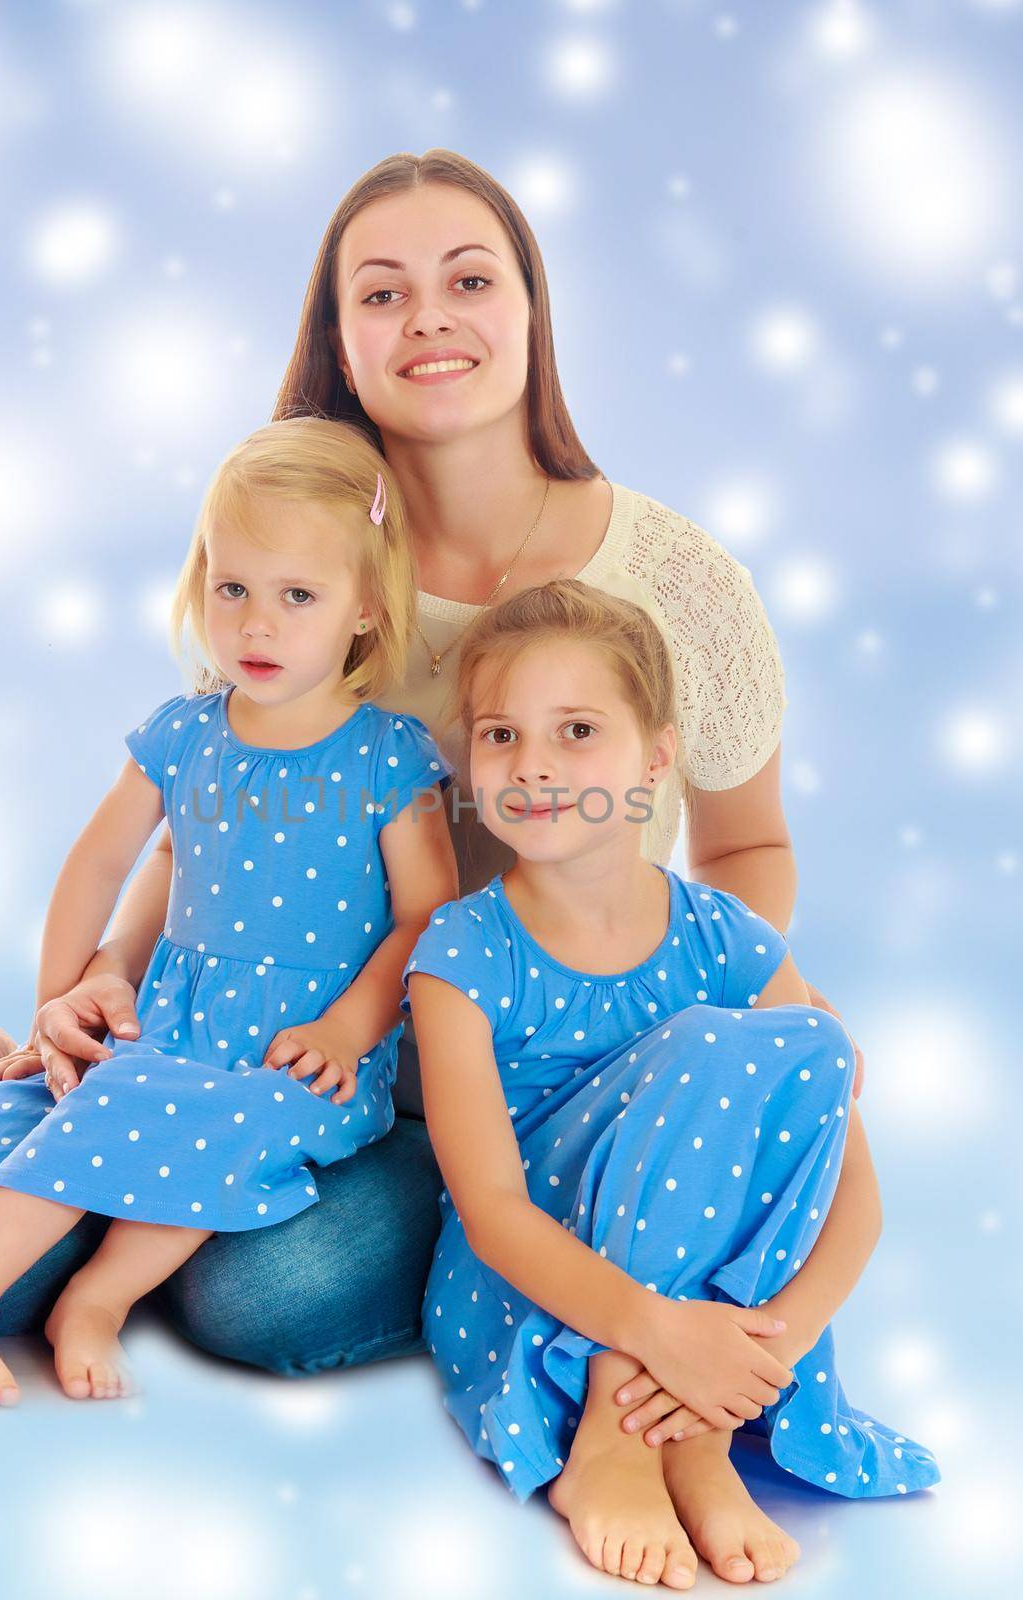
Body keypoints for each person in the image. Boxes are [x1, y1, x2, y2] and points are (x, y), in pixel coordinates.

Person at [0, 150, 865, 1409]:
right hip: (246, 1042)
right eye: (381, 293)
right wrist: (97, 976)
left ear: (532, 311)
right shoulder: (305, 565)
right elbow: (212, 828)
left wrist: (705, 983)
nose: (430, 315)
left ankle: (145, 1226)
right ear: (339, 338)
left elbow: (749, 850)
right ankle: (2, 1098)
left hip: (488, 1092)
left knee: (270, 1293)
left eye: (471, 278)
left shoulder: (680, 585)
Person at [0, 417, 457, 1404]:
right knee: (93, 1103)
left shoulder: (389, 756)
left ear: (366, 608)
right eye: (230, 587)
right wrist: (54, 1007)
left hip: (303, 1045)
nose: (255, 625)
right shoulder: (186, 732)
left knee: (234, 1133)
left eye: (297, 596)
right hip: (181, 1017)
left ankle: (99, 1300)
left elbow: (428, 916)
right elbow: (96, 861)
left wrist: (347, 1026)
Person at [403, 579, 937, 1587]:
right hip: (536, 1285)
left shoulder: (724, 936)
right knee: (716, 1041)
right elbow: (494, 1212)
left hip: (715, 1322)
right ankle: (616, 1419)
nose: (537, 765)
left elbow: (852, 1191)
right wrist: (653, 1332)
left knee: (819, 1043)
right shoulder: (463, 953)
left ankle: (692, 1433)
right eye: (502, 735)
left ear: (654, 759)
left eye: (577, 729)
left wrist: (752, 1362)